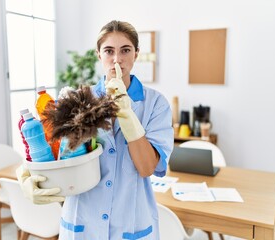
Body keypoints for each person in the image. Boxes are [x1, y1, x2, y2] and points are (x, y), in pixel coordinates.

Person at [16, 20, 174, 239]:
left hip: (131, 224)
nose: (117, 59)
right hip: (82, 222)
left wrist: (127, 114)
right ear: (99, 55)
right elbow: (50, 149)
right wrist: (24, 175)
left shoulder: (156, 104)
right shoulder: (78, 99)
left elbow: (147, 168)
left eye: (125, 50)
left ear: (136, 54)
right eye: (109, 51)